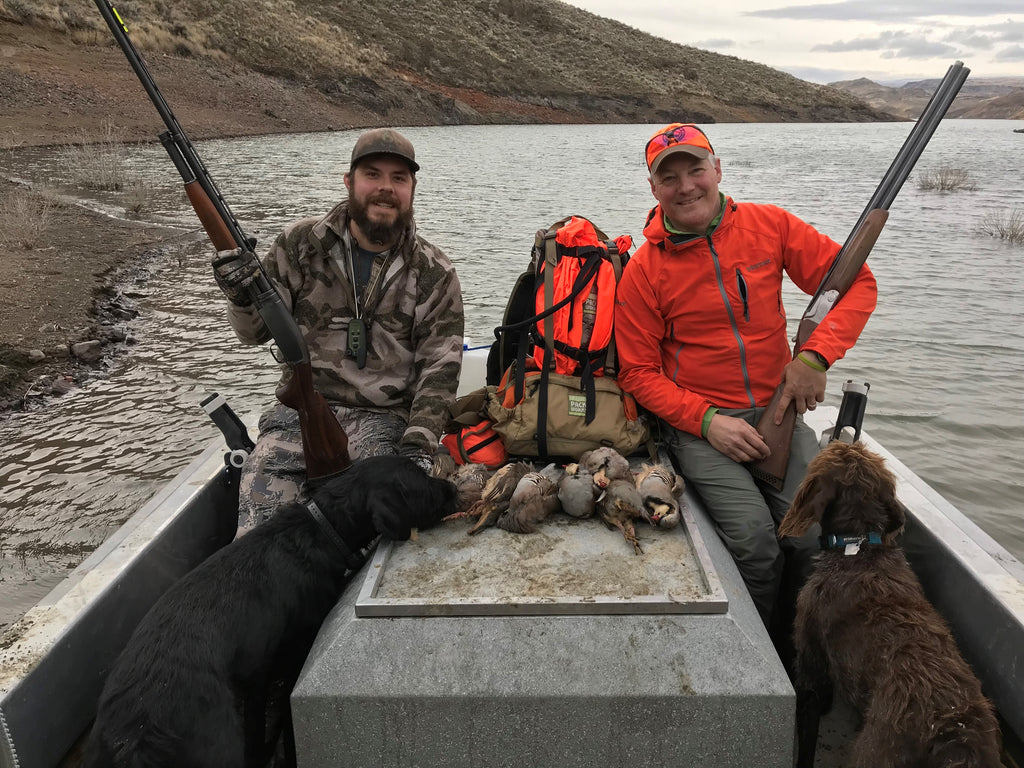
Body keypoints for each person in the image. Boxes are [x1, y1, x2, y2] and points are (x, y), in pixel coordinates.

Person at [615, 123, 877, 632]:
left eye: (696, 169)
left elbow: (858, 284)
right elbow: (638, 372)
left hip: (778, 411)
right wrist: (708, 421)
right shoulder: (644, 269)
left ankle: (809, 648)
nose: (686, 186)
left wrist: (814, 358)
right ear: (653, 189)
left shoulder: (771, 225)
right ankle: (762, 658)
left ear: (718, 170)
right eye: (669, 177)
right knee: (757, 545)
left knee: (815, 535)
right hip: (701, 426)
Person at [211, 128, 464, 532]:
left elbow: (440, 370)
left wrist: (416, 450)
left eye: (399, 178)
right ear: (349, 181)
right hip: (298, 414)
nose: (385, 188)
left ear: (413, 187)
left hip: (384, 420)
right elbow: (253, 334)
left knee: (378, 529)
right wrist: (240, 296)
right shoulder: (299, 244)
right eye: (372, 174)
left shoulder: (435, 271)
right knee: (260, 530)